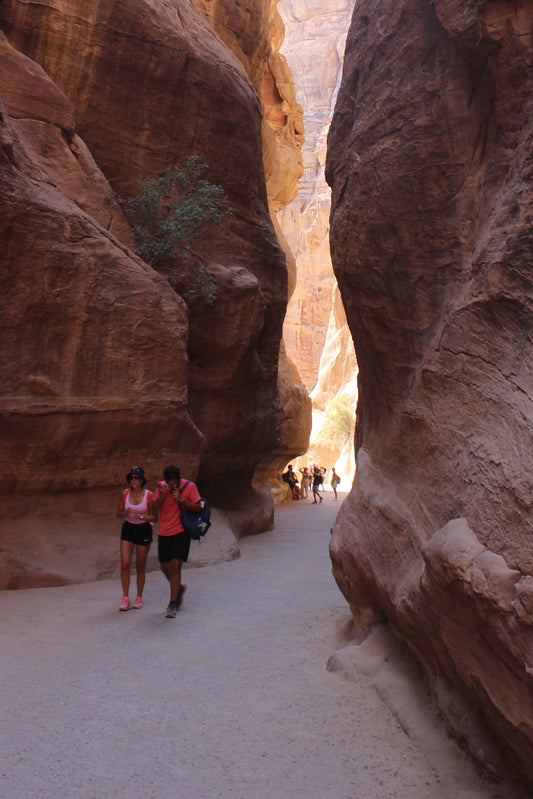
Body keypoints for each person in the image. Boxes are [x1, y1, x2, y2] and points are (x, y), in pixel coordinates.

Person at [151, 465, 202, 618]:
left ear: (180, 479)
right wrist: (161, 496)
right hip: (164, 532)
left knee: (176, 564)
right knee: (165, 567)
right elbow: (153, 510)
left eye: (175, 483)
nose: (173, 486)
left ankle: (172, 604)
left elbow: (199, 507)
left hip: (181, 531)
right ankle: (178, 588)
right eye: (170, 483)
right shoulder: (160, 487)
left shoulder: (189, 486)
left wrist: (182, 500)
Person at [116, 465, 156, 611]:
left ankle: (139, 596)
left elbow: (154, 517)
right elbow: (118, 513)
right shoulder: (125, 493)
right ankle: (125, 597)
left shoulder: (149, 495)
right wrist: (124, 513)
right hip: (128, 528)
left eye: (136, 477)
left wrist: (139, 516)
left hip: (143, 529)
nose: (134, 480)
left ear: (142, 480)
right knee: (125, 563)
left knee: (140, 565)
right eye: (131, 477)